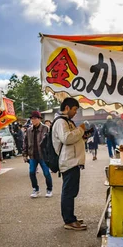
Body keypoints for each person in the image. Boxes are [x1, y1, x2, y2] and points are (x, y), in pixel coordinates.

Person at [52, 98, 87, 231]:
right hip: (68, 161)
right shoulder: (61, 122)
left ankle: (71, 217)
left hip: (73, 161)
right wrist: (80, 130)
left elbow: (72, 137)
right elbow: (66, 138)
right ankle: (69, 220)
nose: (75, 112)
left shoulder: (66, 121)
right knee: (68, 192)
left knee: (72, 191)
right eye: (74, 109)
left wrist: (83, 134)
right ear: (67, 108)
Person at [23, 111, 53, 198]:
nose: (33, 120)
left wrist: (50, 154)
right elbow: (25, 143)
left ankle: (49, 189)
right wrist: (24, 154)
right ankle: (35, 189)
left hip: (43, 155)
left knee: (46, 173)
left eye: (35, 118)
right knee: (32, 172)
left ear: (39, 119)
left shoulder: (46, 128)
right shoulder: (29, 130)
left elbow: (50, 142)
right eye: (32, 118)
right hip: (32, 155)